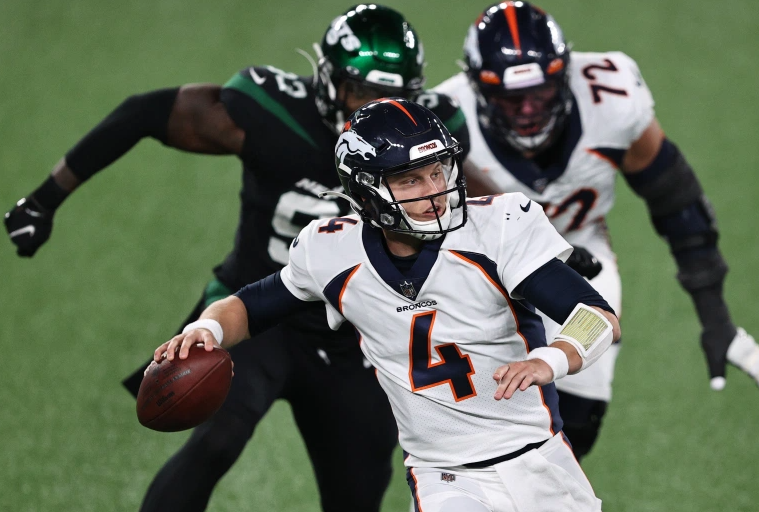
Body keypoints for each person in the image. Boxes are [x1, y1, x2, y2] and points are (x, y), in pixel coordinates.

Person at [3, 5, 469, 512]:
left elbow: (481, 203)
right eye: (362, 93)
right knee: (215, 441)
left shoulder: (432, 136)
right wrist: (44, 198)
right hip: (254, 314)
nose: (374, 112)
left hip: (357, 337)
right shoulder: (275, 115)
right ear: (328, 81)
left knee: (356, 495)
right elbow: (145, 113)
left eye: (394, 97)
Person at [152, 98, 621, 512]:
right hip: (446, 476)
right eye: (411, 180)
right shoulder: (331, 252)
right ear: (365, 190)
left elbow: (599, 316)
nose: (434, 190)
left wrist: (551, 358)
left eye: (437, 171)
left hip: (539, 460)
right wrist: (208, 329)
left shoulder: (495, 230)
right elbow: (252, 305)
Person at [434, 1, 759, 460]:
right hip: (483, 263)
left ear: (564, 76)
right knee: (476, 419)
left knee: (577, 423)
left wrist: (715, 315)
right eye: (511, 99)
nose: (528, 111)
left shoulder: (612, 99)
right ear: (477, 89)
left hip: (581, 248)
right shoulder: (443, 122)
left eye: (541, 94)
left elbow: (676, 201)